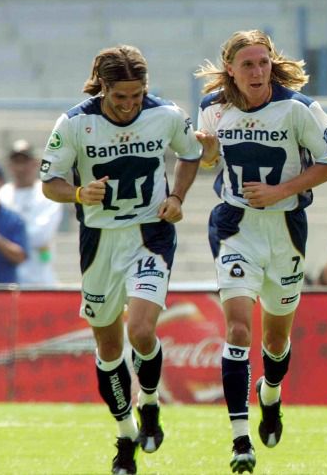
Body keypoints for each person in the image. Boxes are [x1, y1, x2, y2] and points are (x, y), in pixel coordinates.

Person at [39, 45, 202, 475]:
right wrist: (77, 192)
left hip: (149, 236)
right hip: (99, 242)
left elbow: (191, 153)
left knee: (142, 330)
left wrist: (177, 196)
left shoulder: (166, 114)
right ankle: (126, 433)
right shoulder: (75, 123)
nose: (129, 105)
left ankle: (149, 402)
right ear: (103, 88)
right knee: (109, 350)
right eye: (120, 97)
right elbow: (49, 182)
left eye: (136, 95)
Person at [195, 30, 327, 473]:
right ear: (231, 72)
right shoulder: (213, 109)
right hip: (234, 227)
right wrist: (205, 154)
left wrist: (282, 190)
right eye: (247, 65)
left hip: (285, 231)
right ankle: (241, 440)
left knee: (276, 341)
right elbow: (207, 162)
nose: (257, 71)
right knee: (239, 332)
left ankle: (271, 394)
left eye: (263, 62)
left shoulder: (299, 109)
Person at [0, 139, 64, 286]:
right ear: (10, 166)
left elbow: (40, 235)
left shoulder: (47, 194)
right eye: (16, 162)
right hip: (8, 279)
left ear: (35, 163)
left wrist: (5, 238)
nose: (21, 168)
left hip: (39, 280)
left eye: (25, 162)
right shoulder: (2, 195)